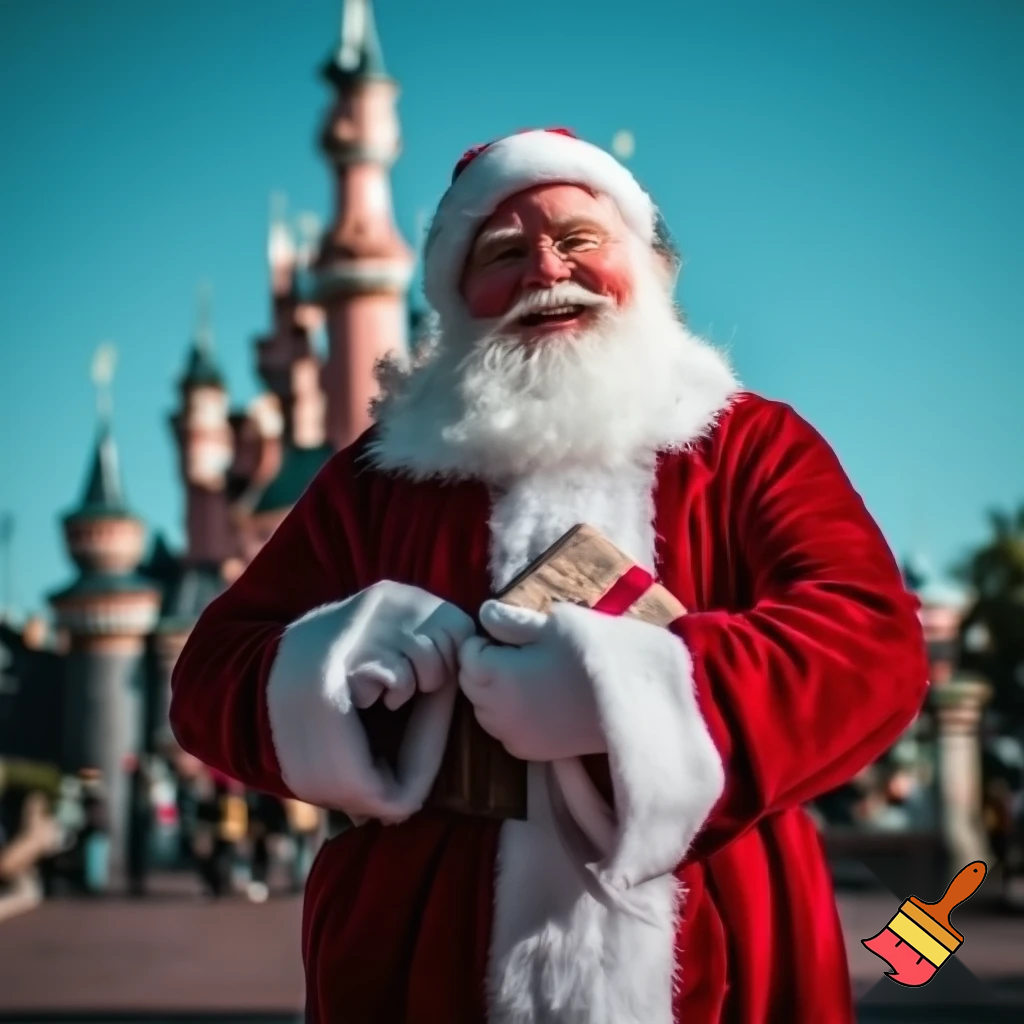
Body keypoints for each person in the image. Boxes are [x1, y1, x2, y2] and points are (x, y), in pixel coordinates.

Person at [170, 129, 929, 1023]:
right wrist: (331, 659)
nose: (545, 269)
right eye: (503, 252)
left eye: (578, 239)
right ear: (456, 296)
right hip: (427, 960)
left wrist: (639, 693)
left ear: (643, 264)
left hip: (713, 948)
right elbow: (209, 678)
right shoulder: (378, 478)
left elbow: (871, 643)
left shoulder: (748, 447)